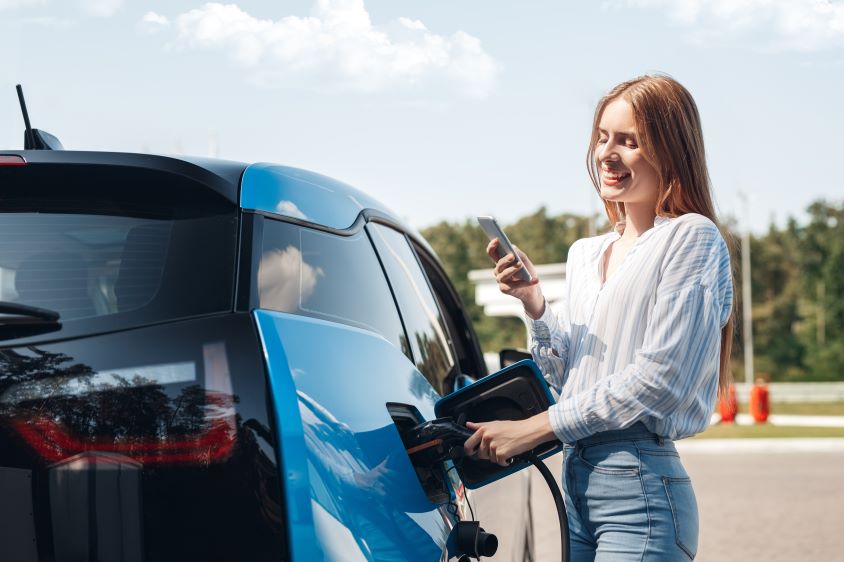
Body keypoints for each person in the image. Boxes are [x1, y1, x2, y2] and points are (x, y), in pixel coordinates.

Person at [463, 74, 734, 561]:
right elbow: (568, 378)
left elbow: (661, 379)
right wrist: (535, 305)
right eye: (603, 138)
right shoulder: (586, 253)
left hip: (640, 495)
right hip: (577, 488)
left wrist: (536, 428)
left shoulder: (691, 238)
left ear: (671, 151)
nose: (608, 153)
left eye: (629, 141)